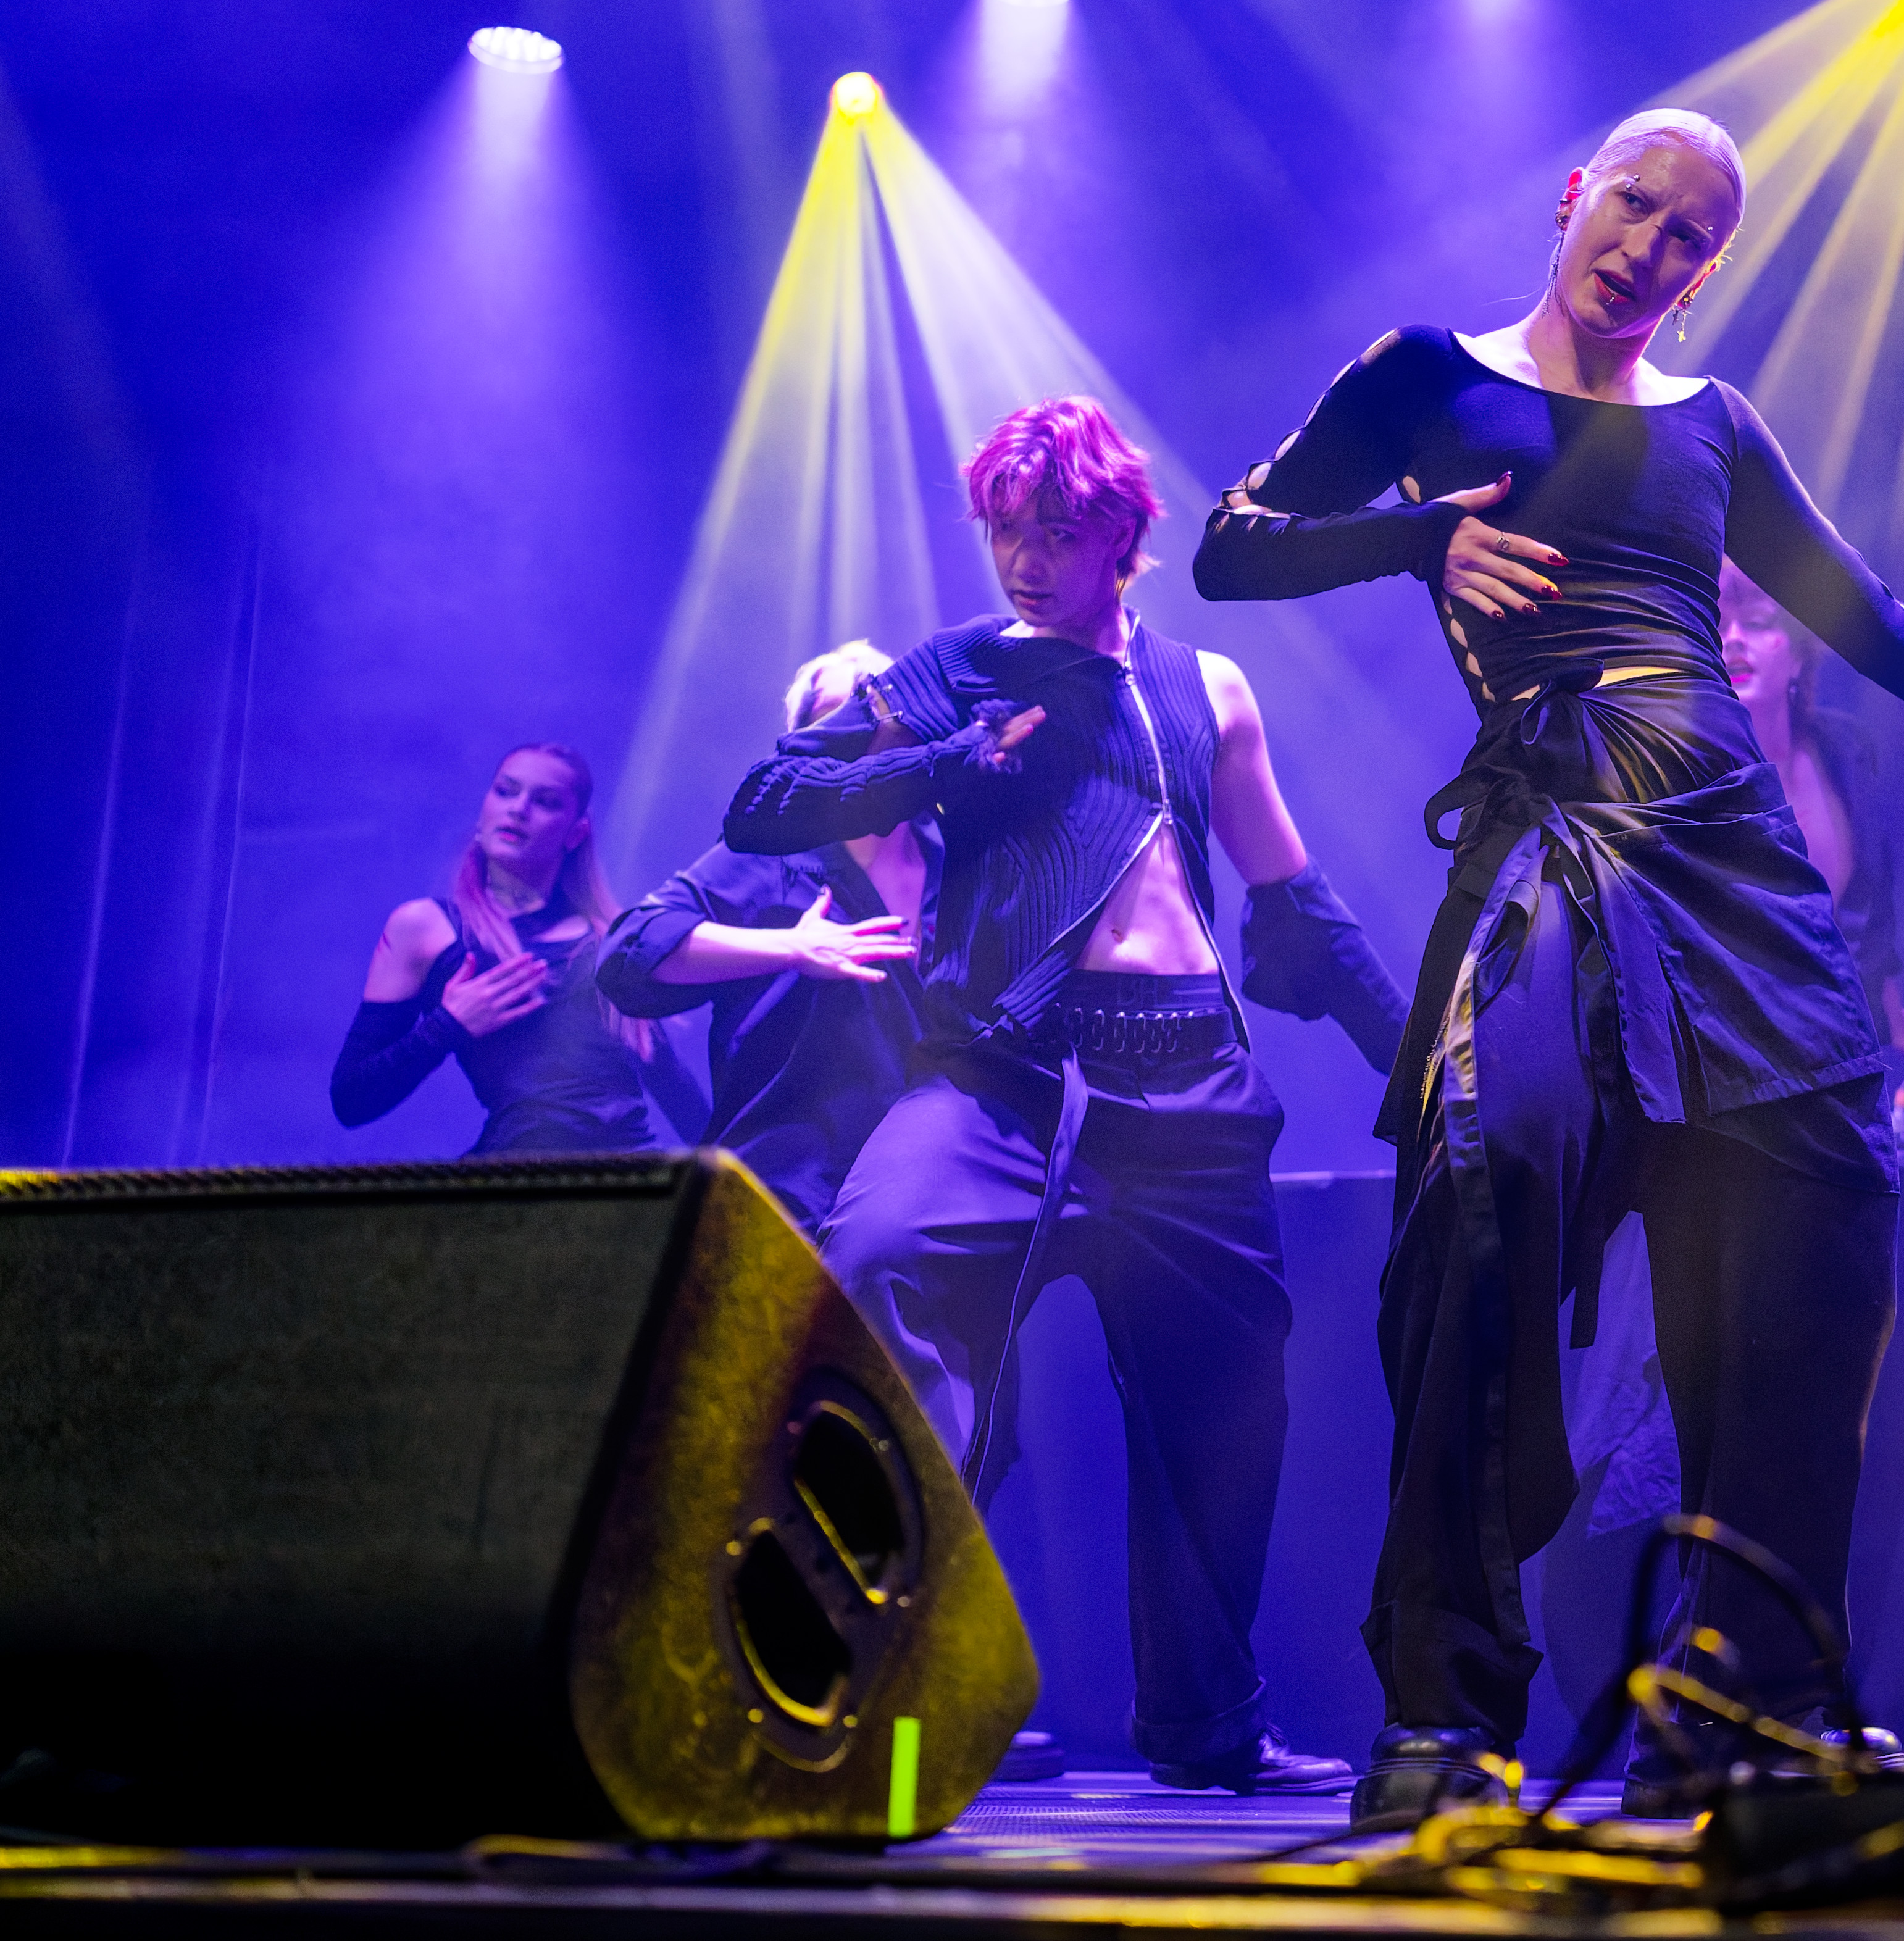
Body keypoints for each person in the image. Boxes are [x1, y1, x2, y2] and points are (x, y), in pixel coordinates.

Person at [1193, 107, 1904, 1822]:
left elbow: (1871, 622)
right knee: (1485, 1187)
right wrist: (1416, 535)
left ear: (1704, 271)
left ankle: (1746, 1701)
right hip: (1553, 832)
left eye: (1686, 237)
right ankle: (1445, 1704)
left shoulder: (1715, 427)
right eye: (1634, 204)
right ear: (1573, 194)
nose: (1646, 247)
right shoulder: (1425, 375)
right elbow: (1230, 545)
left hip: (1730, 852)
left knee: (1821, 1224)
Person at [722, 396, 1406, 1797]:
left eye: (1056, 531)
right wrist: (946, 760)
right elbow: (766, 799)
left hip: (1191, 1090)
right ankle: (863, 1689)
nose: (1026, 560)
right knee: (873, 1262)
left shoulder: (1207, 688)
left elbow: (1294, 901)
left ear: (1121, 536)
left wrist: (1418, 1067)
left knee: (1226, 1418)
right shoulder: (955, 672)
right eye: (1005, 530)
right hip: (1004, 1083)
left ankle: (1207, 1725)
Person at [596, 643, 930, 1236]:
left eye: (881, 709)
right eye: (841, 715)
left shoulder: (959, 862)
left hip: (916, 1199)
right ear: (805, 744)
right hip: (783, 1195)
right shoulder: (775, 854)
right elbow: (630, 951)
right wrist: (792, 949)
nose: (867, 730)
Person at [332, 743, 696, 1155]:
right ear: (484, 811)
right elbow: (351, 1098)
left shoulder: (611, 941)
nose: (519, 809)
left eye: (545, 801)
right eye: (506, 791)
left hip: (631, 1176)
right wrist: (448, 1024)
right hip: (519, 1177)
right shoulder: (425, 928)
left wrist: (743, 1180)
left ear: (575, 833)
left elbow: (677, 1091)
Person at [1719, 559, 1904, 1084]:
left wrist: (1888, 1016)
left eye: (1758, 622)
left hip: (1836, 1057)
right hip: (1734, 1070)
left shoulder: (1845, 750)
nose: (1733, 639)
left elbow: (1870, 905)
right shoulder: (1687, 774)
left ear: (1800, 654)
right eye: (1716, 624)